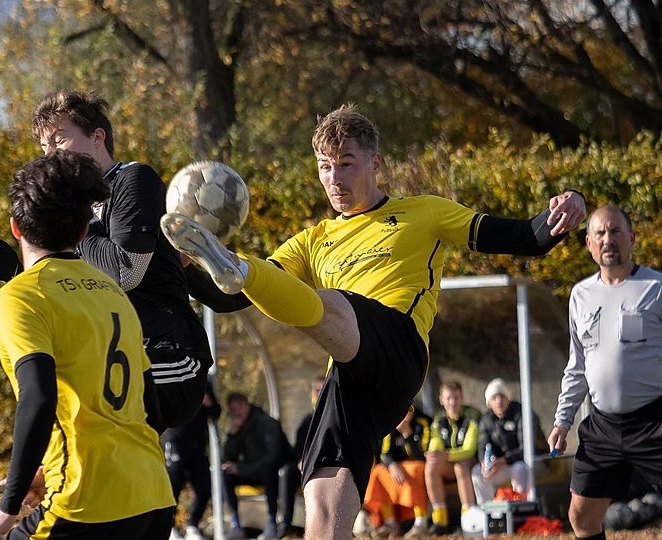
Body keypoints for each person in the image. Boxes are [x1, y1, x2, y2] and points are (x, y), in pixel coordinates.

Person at [161, 103, 586, 539]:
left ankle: (239, 264)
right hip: (347, 377)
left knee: (328, 302)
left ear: (375, 162)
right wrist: (185, 269)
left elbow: (524, 237)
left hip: (398, 346)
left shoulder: (426, 211)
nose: (335, 178)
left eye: (346, 164)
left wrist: (569, 205)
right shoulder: (315, 240)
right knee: (322, 505)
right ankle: (234, 264)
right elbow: (228, 298)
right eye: (325, 167)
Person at [0, 90, 212, 433]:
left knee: (75, 406)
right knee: (66, 412)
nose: (50, 153)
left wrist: (76, 225)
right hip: (116, 354)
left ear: (97, 137)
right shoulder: (71, 210)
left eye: (59, 139)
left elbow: (127, 272)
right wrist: (17, 273)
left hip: (169, 355)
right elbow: (71, 293)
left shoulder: (132, 179)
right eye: (44, 146)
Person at [0, 150, 174, 540]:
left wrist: (7, 509)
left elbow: (39, 397)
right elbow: (150, 406)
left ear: (15, 228)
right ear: (84, 233)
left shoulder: (19, 296)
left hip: (86, 501)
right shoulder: (115, 294)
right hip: (152, 494)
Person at [547, 205, 662, 540]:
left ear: (632, 238)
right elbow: (577, 366)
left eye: (615, 232)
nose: (608, 239)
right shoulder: (581, 295)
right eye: (600, 233)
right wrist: (561, 421)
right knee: (581, 517)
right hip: (603, 427)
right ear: (588, 243)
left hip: (654, 420)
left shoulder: (656, 287)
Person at [222, 393, 294, 540]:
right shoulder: (240, 426)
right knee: (227, 473)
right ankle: (235, 523)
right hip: (255, 471)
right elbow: (230, 457)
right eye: (233, 410)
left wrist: (242, 469)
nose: (237, 413)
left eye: (239, 407)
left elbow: (272, 457)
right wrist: (232, 434)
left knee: (268, 470)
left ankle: (272, 522)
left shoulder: (266, 422)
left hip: (276, 472)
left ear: (247, 405)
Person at [472, 378, 545, 506]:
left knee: (519, 468)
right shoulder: (487, 419)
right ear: (489, 403)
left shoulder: (522, 413)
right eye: (494, 398)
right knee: (478, 472)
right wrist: (485, 462)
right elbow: (483, 444)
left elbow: (528, 448)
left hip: (532, 462)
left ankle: (521, 508)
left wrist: (504, 460)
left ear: (508, 398)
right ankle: (486, 511)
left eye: (502, 396)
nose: (499, 401)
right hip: (504, 464)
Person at [363, 405, 432, 538]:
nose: (406, 414)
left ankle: (420, 522)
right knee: (378, 472)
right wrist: (392, 465)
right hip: (398, 466)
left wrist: (407, 434)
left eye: (409, 410)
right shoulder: (391, 423)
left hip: (417, 464)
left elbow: (421, 455)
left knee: (414, 471)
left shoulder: (423, 422)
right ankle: (390, 522)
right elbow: (385, 452)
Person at [164, 384, 222, 540]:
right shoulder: (169, 376)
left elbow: (216, 412)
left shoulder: (203, 381)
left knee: (204, 488)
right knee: (172, 489)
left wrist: (208, 402)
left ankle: (192, 526)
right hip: (176, 442)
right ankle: (170, 529)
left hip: (197, 446)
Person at [423, 381, 480, 535]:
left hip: (470, 463)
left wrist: (447, 455)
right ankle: (440, 520)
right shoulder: (439, 418)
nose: (452, 402)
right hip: (449, 462)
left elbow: (470, 449)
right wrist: (434, 453)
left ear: (462, 398)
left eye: (456, 398)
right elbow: (435, 441)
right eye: (448, 398)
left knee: (460, 466)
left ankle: (467, 520)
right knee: (431, 467)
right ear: (441, 400)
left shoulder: (472, 415)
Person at [279, 375, 326, 538]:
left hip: (328, 467)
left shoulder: (336, 418)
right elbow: (299, 448)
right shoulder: (307, 420)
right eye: (317, 390)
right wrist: (301, 460)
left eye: (323, 390)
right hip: (306, 467)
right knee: (287, 471)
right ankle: (286, 524)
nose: (319, 394)